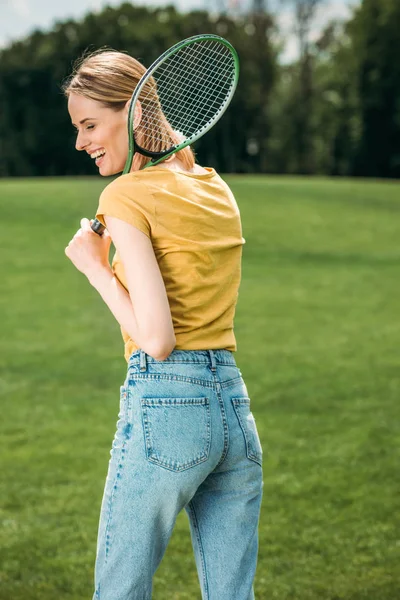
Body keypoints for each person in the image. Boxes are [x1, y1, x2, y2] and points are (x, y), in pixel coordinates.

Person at [62, 48, 264, 600]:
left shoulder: (124, 195)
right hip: (233, 412)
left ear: (132, 113)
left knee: (119, 590)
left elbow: (157, 338)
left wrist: (96, 271)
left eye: (90, 124)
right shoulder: (216, 187)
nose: (81, 141)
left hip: (167, 406)